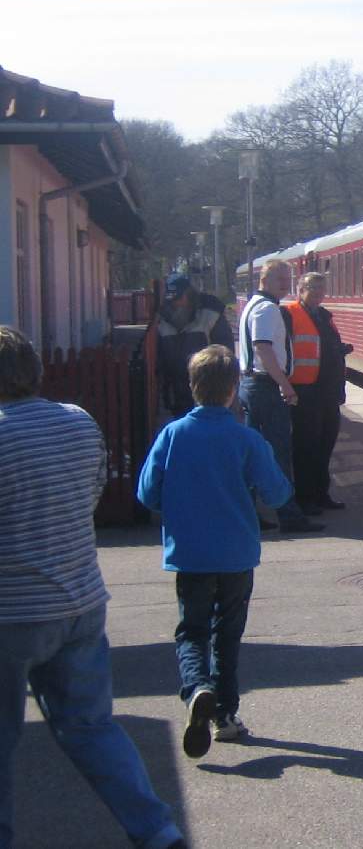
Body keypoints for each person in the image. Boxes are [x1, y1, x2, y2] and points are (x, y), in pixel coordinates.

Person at [0, 326, 185, 849]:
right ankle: (157, 831)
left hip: (11, 612)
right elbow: (91, 493)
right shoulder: (79, 423)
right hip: (80, 600)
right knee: (92, 728)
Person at [137, 345, 292, 756]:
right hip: (237, 553)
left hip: (189, 552)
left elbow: (147, 493)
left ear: (192, 387)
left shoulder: (171, 435)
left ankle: (197, 688)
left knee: (192, 630)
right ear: (233, 389)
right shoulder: (246, 439)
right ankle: (224, 716)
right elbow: (278, 493)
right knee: (228, 635)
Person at [236, 259, 323, 534]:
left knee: (254, 453)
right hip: (264, 386)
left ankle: (250, 511)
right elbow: (263, 348)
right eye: (280, 279)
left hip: (252, 385)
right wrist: (285, 384)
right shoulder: (267, 309)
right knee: (279, 453)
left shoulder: (253, 305)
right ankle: (289, 515)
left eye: (288, 279)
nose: (285, 285)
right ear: (265, 279)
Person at [285, 273, 352, 514]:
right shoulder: (289, 314)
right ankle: (305, 498)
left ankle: (321, 493)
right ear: (300, 289)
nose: (317, 293)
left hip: (328, 391)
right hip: (304, 390)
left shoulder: (324, 316)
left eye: (321, 289)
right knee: (305, 446)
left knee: (326, 443)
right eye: (312, 288)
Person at [156, 272, 234, 415]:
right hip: (177, 390)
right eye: (171, 299)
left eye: (179, 298)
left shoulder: (211, 314)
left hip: (210, 389)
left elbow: (226, 352)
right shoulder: (161, 320)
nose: (175, 303)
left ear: (189, 294)